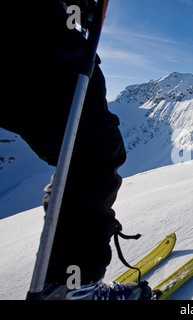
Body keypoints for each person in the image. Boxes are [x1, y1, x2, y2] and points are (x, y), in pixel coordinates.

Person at [2, 1, 149, 299]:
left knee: (82, 158)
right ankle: (74, 289)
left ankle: (67, 283)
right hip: (35, 35)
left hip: (34, 32)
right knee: (91, 157)